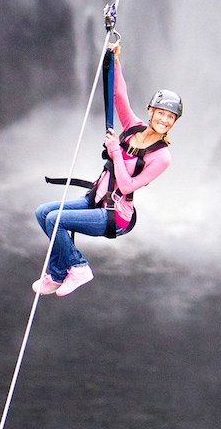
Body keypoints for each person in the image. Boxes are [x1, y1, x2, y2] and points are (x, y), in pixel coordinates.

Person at [33, 40, 182, 296]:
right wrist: (115, 59)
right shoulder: (133, 127)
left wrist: (115, 150)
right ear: (150, 111)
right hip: (96, 199)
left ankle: (78, 266)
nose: (164, 119)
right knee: (43, 212)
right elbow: (119, 96)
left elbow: (126, 186)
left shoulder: (161, 157)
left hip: (115, 215)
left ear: (174, 122)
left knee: (56, 220)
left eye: (170, 117)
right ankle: (58, 273)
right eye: (161, 113)